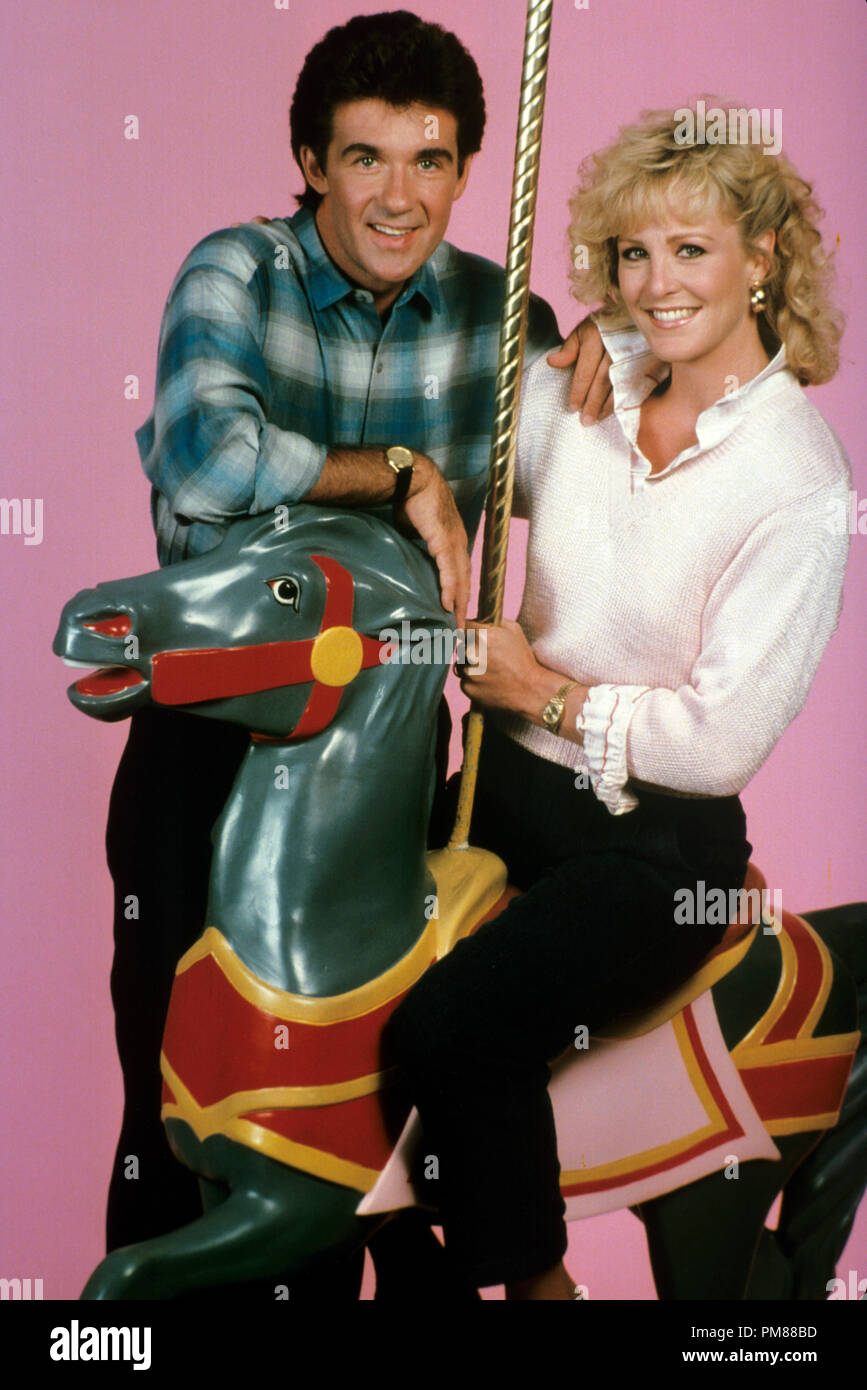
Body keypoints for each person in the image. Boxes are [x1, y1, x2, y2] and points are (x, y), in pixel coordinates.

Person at [104, 9, 609, 1282]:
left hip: (380, 762)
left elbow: (601, 467)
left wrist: (626, 339)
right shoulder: (235, 272)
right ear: (312, 160)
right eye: (367, 157)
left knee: (387, 1096)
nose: (400, 195)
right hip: (212, 737)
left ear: (464, 168)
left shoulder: (503, 320)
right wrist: (399, 475)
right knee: (186, 1111)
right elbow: (211, 462)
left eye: (431, 161)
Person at [385, 104, 851, 1300]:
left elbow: (721, 738)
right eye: (632, 257)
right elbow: (481, 456)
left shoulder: (800, 480)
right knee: (340, 1015)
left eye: (692, 251)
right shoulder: (582, 389)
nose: (657, 284)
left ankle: (544, 1294)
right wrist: (421, 477)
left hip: (658, 842)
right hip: (503, 784)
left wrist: (546, 689)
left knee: (450, 1029)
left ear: (765, 261)